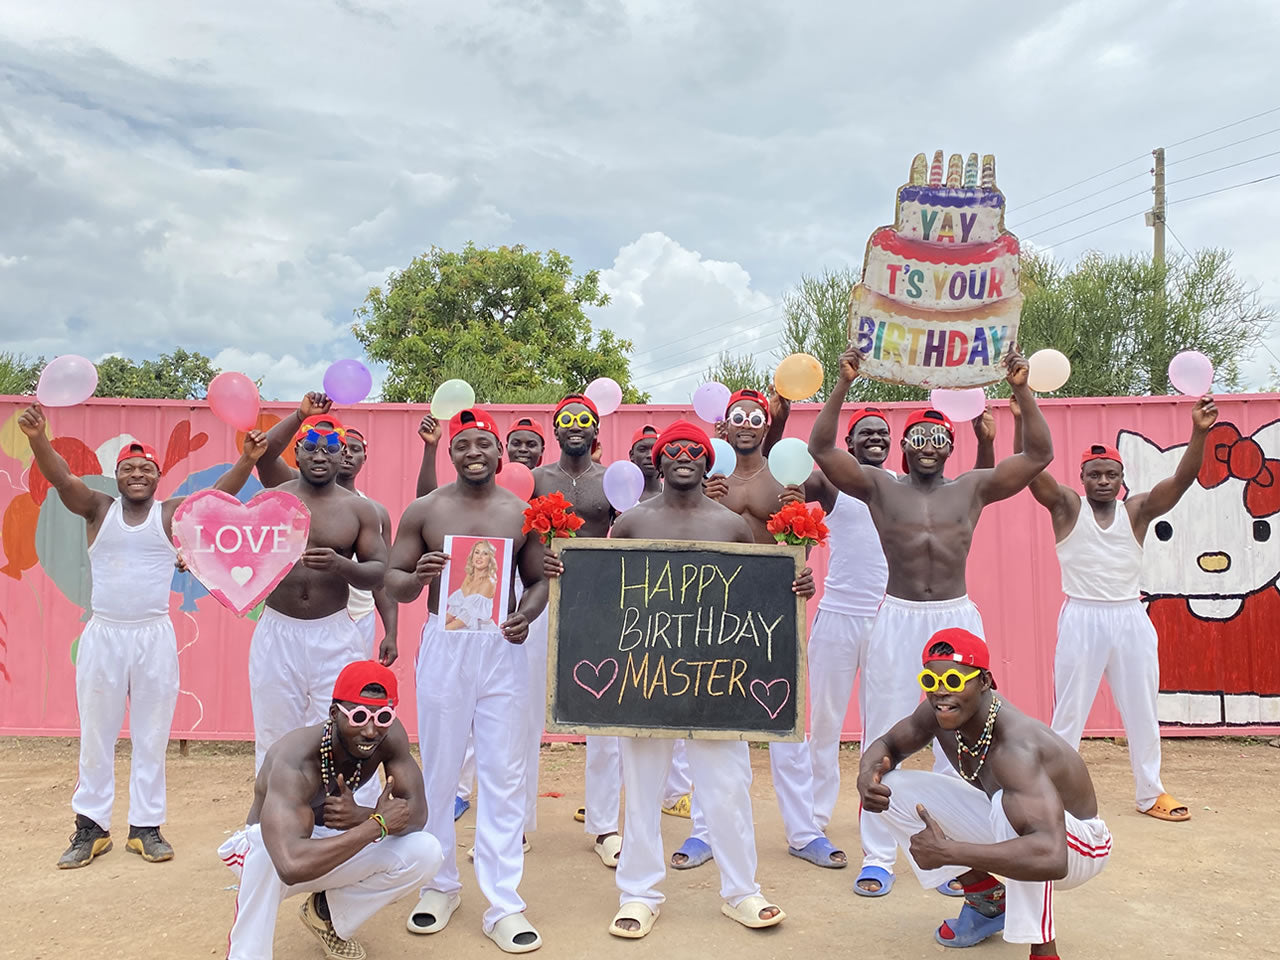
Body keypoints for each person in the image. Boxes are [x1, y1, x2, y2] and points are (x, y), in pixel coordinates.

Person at [546, 419, 811, 938]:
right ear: (659, 461)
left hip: (716, 684)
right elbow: (600, 590)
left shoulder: (731, 525)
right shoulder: (631, 523)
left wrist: (795, 581)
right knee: (642, 791)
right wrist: (564, 571)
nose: (684, 455)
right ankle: (639, 893)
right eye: (674, 450)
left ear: (706, 462)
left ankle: (742, 891)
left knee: (728, 786)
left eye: (694, 449)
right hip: (642, 682)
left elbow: (759, 594)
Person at [808, 344, 1052, 897]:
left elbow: (1038, 454)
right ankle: (877, 856)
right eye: (916, 437)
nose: (926, 446)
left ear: (949, 446)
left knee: (965, 740)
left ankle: (951, 860)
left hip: (955, 619)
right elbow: (822, 447)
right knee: (884, 731)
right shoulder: (878, 487)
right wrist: (843, 382)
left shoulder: (971, 488)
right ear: (906, 445)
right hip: (896, 618)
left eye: (936, 438)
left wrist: (1021, 389)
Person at [17, 403, 266, 869]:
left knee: (152, 733)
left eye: (145, 468)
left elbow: (212, 499)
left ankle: (145, 828)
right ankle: (90, 829)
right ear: (117, 476)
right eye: (128, 468)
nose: (137, 474)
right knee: (97, 733)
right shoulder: (98, 510)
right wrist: (37, 438)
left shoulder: (169, 516)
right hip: (104, 635)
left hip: (153, 637)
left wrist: (248, 461)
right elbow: (62, 479)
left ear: (156, 477)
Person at [779, 403, 994, 891]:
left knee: (955, 737)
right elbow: (811, 458)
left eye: (883, 431)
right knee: (863, 730)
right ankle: (861, 844)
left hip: (927, 616)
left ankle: (952, 849)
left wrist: (992, 428)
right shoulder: (863, 486)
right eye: (867, 433)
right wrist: (837, 387)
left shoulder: (933, 488)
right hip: (867, 615)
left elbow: (990, 478)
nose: (876, 438)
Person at [387, 408, 549, 953]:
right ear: (451, 453)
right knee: (439, 767)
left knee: (503, 773)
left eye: (484, 443)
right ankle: (438, 884)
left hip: (500, 647)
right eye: (464, 444)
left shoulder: (521, 513)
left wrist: (525, 615)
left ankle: (504, 902)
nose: (474, 451)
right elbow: (394, 579)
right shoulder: (425, 510)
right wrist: (417, 576)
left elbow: (535, 583)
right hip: (446, 643)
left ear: (500, 454)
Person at [1011, 396, 1218, 823]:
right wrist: (1019, 417)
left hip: (1129, 617)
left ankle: (1150, 792)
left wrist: (1199, 432)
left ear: (1122, 479)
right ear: (1082, 478)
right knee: (1069, 711)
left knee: (1142, 708)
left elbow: (1181, 480)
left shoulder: (1137, 511)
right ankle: (1054, 792)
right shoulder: (1068, 507)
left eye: (1111, 474)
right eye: (1095, 474)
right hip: (1082, 617)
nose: (1103, 481)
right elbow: (1028, 467)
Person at [857, 629, 1112, 956]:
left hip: (1079, 846)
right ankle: (987, 901)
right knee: (890, 787)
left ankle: (1044, 952)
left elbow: (1051, 855)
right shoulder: (936, 712)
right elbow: (888, 745)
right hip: (1021, 823)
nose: (940, 694)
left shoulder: (1015, 747)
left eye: (953, 681)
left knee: (1009, 809)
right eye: (931, 682)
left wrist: (949, 852)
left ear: (985, 682)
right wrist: (866, 775)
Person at [699, 388, 839, 870]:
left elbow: (814, 521)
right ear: (725, 425)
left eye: (753, 416)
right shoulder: (704, 474)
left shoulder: (784, 475)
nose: (744, 423)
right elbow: (683, 532)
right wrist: (700, 499)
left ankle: (803, 831)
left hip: (773, 606)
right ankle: (704, 829)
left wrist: (803, 564)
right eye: (736, 416)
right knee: (710, 717)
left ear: (765, 425)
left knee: (787, 718)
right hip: (712, 607)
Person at [220, 659, 442, 960]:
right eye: (359, 716)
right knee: (264, 850)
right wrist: (373, 825)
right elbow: (290, 866)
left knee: (425, 850)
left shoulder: (388, 737)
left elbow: (417, 814)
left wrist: (363, 816)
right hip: (274, 854)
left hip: (329, 846)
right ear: (335, 713)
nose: (370, 730)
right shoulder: (294, 759)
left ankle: (326, 915)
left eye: (383, 717)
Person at [248, 396, 388, 784]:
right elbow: (261, 455)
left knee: (344, 729)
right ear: (297, 452)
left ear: (343, 453)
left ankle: (342, 821)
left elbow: (378, 573)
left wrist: (341, 564)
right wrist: (300, 415)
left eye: (330, 448)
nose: (320, 455)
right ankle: (270, 825)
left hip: (334, 632)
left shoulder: (359, 511)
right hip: (278, 629)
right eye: (311, 447)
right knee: (275, 731)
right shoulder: (274, 499)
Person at [531, 394, 623, 868]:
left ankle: (605, 826)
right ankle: (519, 824)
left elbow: (630, 534)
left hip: (596, 604)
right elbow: (516, 537)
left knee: (602, 715)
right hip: (538, 601)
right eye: (566, 418)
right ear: (555, 428)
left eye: (583, 419)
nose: (574, 425)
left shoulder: (612, 480)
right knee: (521, 713)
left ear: (595, 431)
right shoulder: (535, 479)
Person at [337, 427, 399, 666]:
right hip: (317, 616)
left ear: (365, 458)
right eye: (343, 447)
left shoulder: (377, 513)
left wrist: (391, 633)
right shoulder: (307, 502)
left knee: (347, 693)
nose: (348, 455)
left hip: (360, 617)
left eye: (355, 449)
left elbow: (383, 578)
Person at [445, 539, 501, 632]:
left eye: (485, 554)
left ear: (490, 559)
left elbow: (466, 618)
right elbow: (454, 609)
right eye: (477, 552)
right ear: (472, 555)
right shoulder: (469, 578)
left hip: (482, 634)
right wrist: (440, 625)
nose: (479, 557)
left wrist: (445, 630)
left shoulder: (489, 583)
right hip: (463, 629)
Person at [629, 423, 663, 502]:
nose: (650, 455)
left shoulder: (675, 497)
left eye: (655, 449)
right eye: (642, 450)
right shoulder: (621, 497)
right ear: (631, 455)